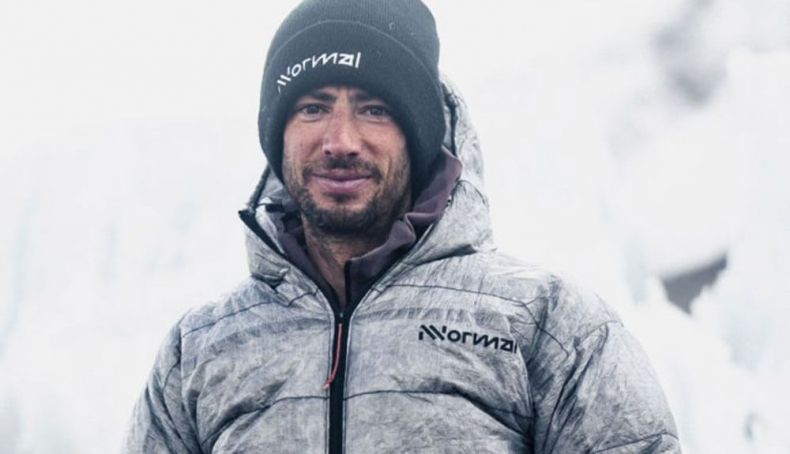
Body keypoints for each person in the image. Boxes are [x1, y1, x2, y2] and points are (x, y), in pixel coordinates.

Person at [125, 0, 680, 452]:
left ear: (418, 137)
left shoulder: (548, 326)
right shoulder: (200, 350)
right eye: (313, 107)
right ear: (278, 134)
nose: (340, 141)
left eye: (375, 109)